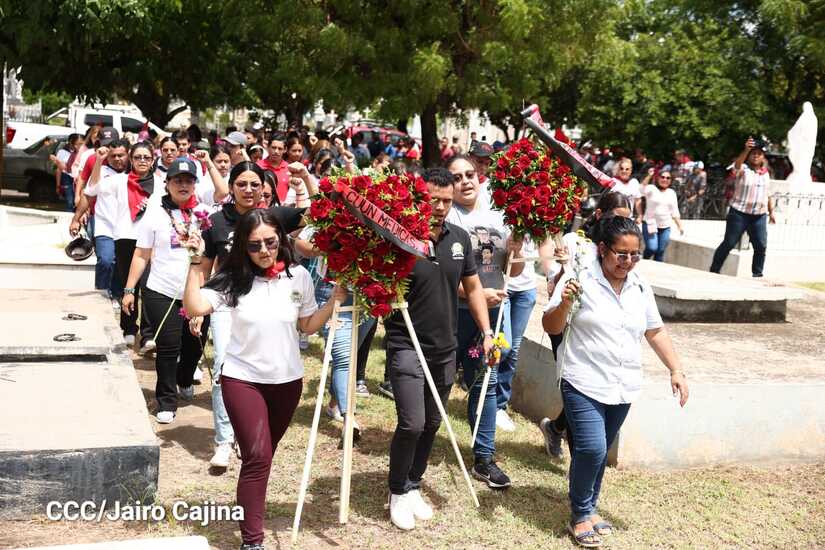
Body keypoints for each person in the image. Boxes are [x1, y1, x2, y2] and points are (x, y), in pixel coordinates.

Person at [182, 208, 345, 550]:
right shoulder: (233, 279)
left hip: (288, 382)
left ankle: (250, 495)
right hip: (242, 380)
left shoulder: (298, 277)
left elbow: (306, 326)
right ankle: (252, 542)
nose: (264, 251)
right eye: (254, 245)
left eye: (270, 242)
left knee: (262, 456)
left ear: (281, 240)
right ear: (244, 246)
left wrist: (333, 302)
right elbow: (195, 307)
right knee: (257, 458)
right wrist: (195, 263)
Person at [543, 216, 689, 548]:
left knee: (600, 450)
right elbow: (551, 326)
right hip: (582, 379)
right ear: (602, 249)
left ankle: (590, 506)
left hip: (623, 383)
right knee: (592, 448)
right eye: (621, 254)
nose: (628, 261)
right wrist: (565, 302)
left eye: (635, 254)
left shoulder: (639, 285)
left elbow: (655, 330)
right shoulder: (580, 277)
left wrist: (676, 370)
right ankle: (580, 514)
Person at [382, 167, 496, 529]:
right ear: (419, 198)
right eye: (434, 200)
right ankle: (396, 491)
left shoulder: (459, 238)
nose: (441, 207)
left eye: (447, 201)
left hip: (446, 346)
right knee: (412, 423)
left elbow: (473, 288)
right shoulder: (400, 238)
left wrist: (487, 331)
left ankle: (413, 483)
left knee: (432, 422)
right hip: (406, 343)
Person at [445, 155, 524, 488]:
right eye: (457, 177)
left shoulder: (499, 218)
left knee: (485, 383)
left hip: (489, 320)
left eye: (470, 174)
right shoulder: (446, 216)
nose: (466, 181)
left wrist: (517, 249)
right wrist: (473, 295)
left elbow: (513, 269)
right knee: (439, 381)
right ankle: (418, 442)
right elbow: (441, 274)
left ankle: (484, 458)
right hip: (452, 314)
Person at [539, 192, 633, 459]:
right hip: (569, 323)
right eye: (616, 218)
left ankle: (556, 428)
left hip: (599, 328)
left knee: (590, 388)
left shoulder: (624, 249)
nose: (621, 225)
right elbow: (555, 285)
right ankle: (581, 462)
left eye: (627, 220)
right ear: (600, 214)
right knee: (578, 386)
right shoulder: (574, 242)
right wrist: (561, 269)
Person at [121, 158, 212, 423]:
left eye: (188, 180)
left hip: (198, 290)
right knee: (168, 346)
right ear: (167, 183)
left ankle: (185, 378)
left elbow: (214, 256)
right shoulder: (154, 213)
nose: (183, 185)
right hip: (162, 290)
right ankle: (166, 400)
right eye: (177, 180)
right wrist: (129, 289)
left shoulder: (206, 214)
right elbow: (141, 254)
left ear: (195, 184)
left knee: (194, 345)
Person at [197, 162, 266, 469]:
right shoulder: (215, 222)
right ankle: (224, 441)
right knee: (223, 371)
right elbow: (203, 267)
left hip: (263, 306)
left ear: (263, 188)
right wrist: (198, 307)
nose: (248, 190)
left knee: (254, 373)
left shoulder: (269, 220)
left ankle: (244, 433)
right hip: (225, 304)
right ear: (231, 187)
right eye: (241, 184)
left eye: (255, 184)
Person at [85, 141, 164, 345]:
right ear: (131, 159)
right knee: (128, 286)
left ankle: (148, 334)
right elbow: (91, 189)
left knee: (149, 286)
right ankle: (128, 328)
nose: (142, 161)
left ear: (153, 160)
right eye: (137, 157)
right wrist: (99, 161)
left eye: (146, 157)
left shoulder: (161, 183)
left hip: (151, 241)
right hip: (126, 237)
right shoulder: (119, 180)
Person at [70, 131, 129, 306]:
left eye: (121, 155)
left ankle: (116, 295)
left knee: (120, 263)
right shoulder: (101, 171)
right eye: (113, 156)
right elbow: (89, 193)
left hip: (127, 228)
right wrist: (76, 219)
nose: (117, 159)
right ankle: (101, 293)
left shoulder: (135, 173)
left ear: (128, 155)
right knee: (106, 259)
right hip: (105, 226)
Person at [710, 138, 776, 277]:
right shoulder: (744, 169)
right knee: (729, 243)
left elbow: (768, 194)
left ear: (763, 156)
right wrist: (746, 150)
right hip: (739, 213)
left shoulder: (766, 173)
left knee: (761, 245)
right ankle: (714, 270)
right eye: (753, 153)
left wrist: (772, 212)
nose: (756, 156)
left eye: (759, 154)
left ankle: (757, 274)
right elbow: (737, 166)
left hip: (759, 215)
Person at [639, 168, 683, 262]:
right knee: (652, 248)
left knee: (660, 251)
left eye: (668, 178)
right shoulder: (651, 188)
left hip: (665, 226)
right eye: (662, 177)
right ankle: (644, 261)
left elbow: (674, 210)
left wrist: (680, 226)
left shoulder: (671, 193)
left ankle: (657, 269)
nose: (665, 179)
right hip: (650, 224)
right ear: (658, 178)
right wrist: (649, 175)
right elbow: (641, 189)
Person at [257, 133, 290, 203]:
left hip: (283, 208)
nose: (276, 151)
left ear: (285, 150)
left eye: (280, 149)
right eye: (273, 147)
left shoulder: (289, 169)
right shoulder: (258, 166)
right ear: (268, 147)